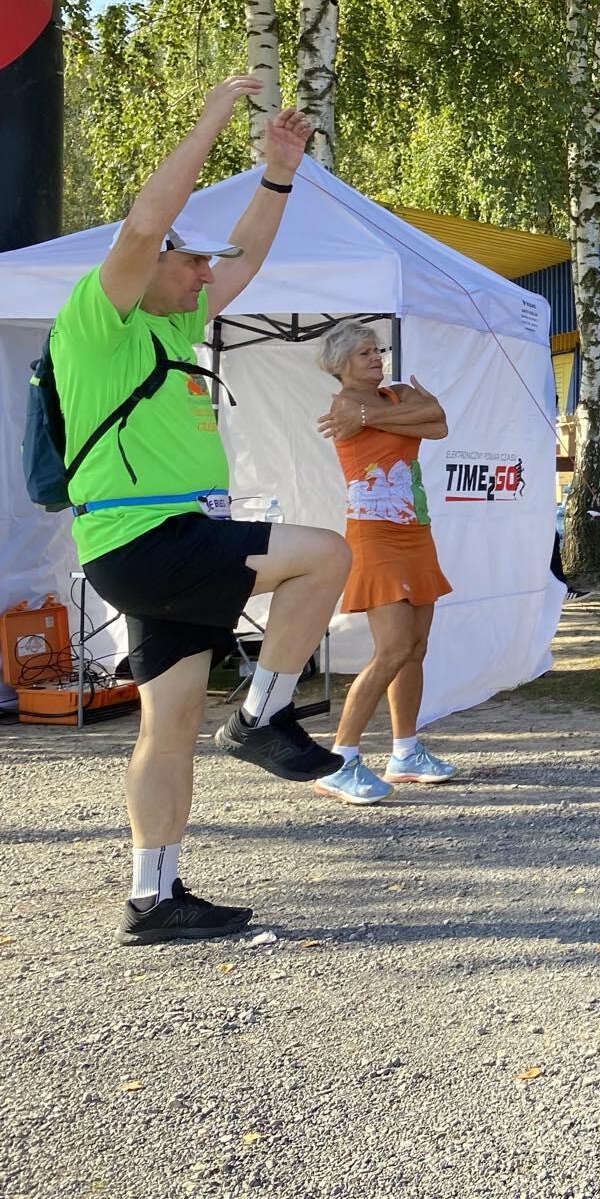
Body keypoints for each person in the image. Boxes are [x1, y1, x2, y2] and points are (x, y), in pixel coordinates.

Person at [53, 80, 353, 946]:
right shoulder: (98, 324)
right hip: (149, 539)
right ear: (146, 266)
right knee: (325, 554)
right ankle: (262, 716)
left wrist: (279, 172)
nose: (205, 274)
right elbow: (145, 224)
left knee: (170, 725)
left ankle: (154, 899)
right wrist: (215, 115)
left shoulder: (170, 330)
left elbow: (246, 258)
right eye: (190, 263)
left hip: (157, 545)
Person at [308, 323, 457, 805]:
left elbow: (439, 422)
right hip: (374, 535)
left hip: (415, 531)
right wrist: (385, 416)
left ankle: (405, 752)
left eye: (378, 350)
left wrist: (372, 416)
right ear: (340, 365)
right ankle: (341, 761)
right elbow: (425, 418)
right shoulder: (342, 406)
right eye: (364, 353)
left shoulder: (391, 396)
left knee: (415, 648)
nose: (377, 358)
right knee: (392, 650)